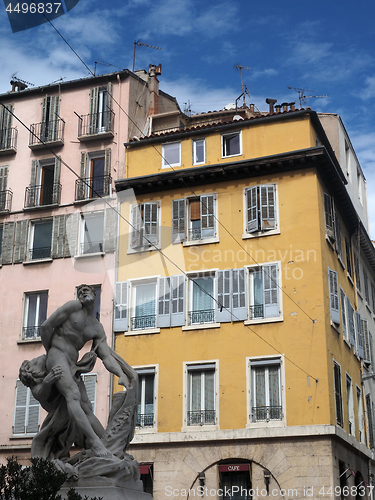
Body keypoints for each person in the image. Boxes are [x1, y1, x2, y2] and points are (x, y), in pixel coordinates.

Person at [40, 284, 134, 457]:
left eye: (87, 290)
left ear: (95, 294)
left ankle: (108, 444)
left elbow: (106, 357)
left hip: (71, 363)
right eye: (80, 290)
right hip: (57, 356)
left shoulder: (96, 327)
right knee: (73, 396)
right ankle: (97, 444)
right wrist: (50, 353)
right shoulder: (72, 307)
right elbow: (46, 326)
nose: (83, 292)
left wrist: (121, 375)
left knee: (86, 407)